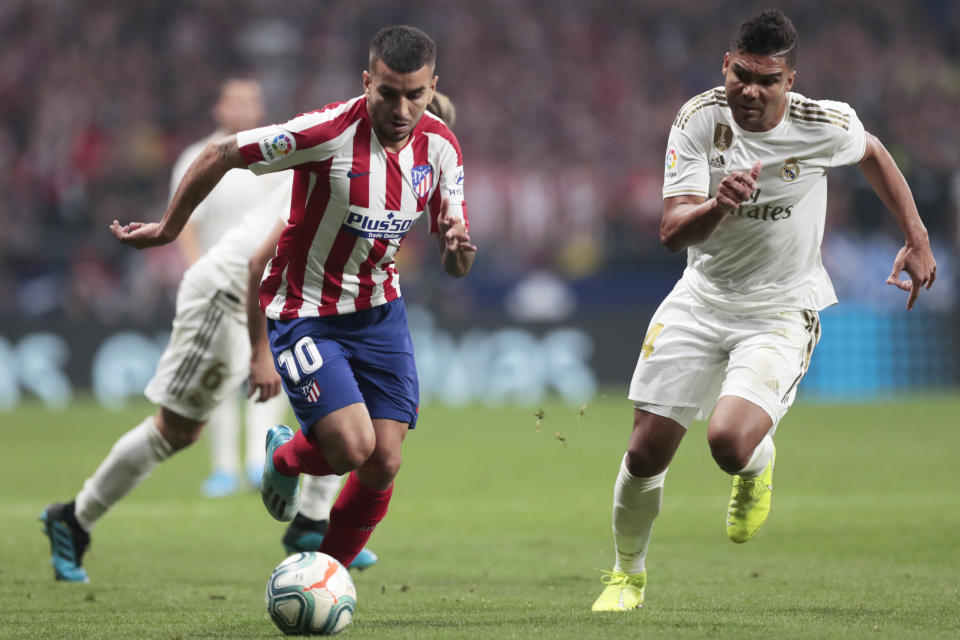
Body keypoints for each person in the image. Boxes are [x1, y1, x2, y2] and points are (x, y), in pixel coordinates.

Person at [591, 9, 936, 611]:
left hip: (780, 308)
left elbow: (873, 152)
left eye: (767, 80)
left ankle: (757, 462)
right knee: (645, 450)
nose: (751, 91)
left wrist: (916, 236)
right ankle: (627, 574)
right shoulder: (699, 120)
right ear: (726, 66)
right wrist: (719, 206)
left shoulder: (824, 124)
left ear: (789, 82)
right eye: (742, 75)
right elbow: (672, 232)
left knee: (728, 441)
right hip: (701, 299)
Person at [109, 26, 475, 571]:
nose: (402, 108)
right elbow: (223, 151)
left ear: (433, 87)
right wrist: (168, 228)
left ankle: (325, 573)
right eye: (389, 92)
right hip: (306, 311)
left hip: (380, 312)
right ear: (366, 81)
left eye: (416, 94)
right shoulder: (325, 131)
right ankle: (284, 456)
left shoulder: (441, 146)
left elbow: (456, 264)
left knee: (385, 462)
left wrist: (455, 247)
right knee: (352, 449)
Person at [168, 78, 291, 497]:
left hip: (269, 285)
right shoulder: (196, 157)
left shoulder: (278, 156)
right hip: (220, 284)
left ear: (259, 108)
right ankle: (224, 467)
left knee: (269, 371)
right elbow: (186, 223)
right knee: (218, 376)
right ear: (218, 108)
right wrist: (198, 271)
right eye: (234, 100)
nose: (242, 108)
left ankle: (260, 461)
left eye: (250, 101)